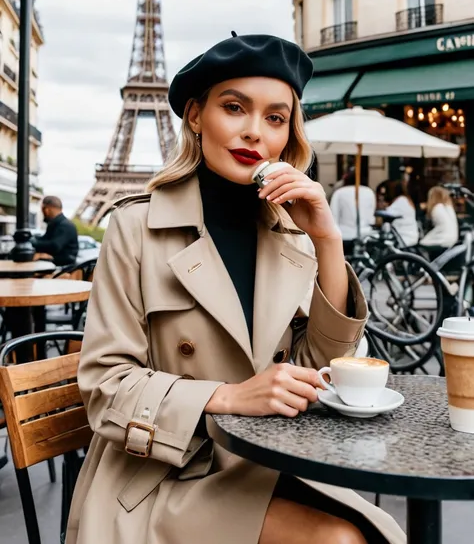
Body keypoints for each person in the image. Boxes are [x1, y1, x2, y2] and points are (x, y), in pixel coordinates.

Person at [66, 34, 404, 544]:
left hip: (271, 461)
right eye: (234, 107)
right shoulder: (135, 227)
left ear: (289, 133)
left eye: (275, 117)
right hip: (163, 474)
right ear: (196, 116)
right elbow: (104, 386)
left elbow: (319, 368)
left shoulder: (292, 232)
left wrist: (328, 240)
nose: (254, 132)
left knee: (375, 534)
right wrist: (229, 396)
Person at [329, 169, 376, 251]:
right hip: (366, 235)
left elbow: (333, 217)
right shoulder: (369, 192)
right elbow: (371, 217)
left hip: (344, 235)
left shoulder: (339, 193)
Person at [32, 195, 78, 266]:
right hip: (60, 264)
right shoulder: (60, 224)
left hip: (62, 267)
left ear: (47, 209)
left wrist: (34, 242)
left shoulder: (64, 225)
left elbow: (54, 246)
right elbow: (47, 240)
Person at [385, 180, 419, 248]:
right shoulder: (407, 200)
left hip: (403, 237)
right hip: (411, 235)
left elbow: (387, 214)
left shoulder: (400, 201)